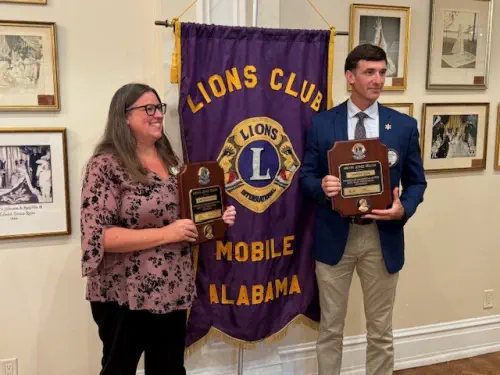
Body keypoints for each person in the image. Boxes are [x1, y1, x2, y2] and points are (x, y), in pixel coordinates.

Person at [80, 83, 237, 375]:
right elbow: (99, 237)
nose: (157, 115)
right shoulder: (104, 166)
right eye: (147, 109)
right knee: (118, 369)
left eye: (159, 108)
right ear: (124, 116)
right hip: (123, 293)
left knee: (169, 370)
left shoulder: (172, 162)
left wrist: (213, 220)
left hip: (171, 289)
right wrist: (169, 234)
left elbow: (184, 217)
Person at [300, 44, 426, 375]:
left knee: (381, 332)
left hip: (382, 237)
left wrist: (403, 210)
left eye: (383, 72)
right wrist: (323, 188)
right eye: (370, 72)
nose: (378, 79)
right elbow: (306, 178)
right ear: (350, 77)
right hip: (335, 237)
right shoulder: (323, 123)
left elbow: (417, 183)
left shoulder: (403, 126)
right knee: (330, 329)